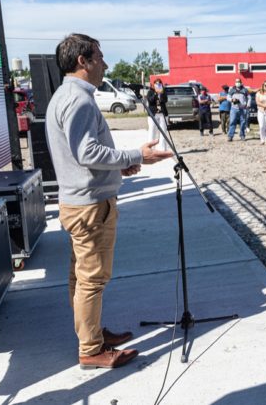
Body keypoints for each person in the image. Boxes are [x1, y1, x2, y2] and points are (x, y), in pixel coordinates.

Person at [46, 34, 172, 369]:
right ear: (82, 61)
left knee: (82, 276)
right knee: (92, 279)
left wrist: (120, 165)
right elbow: (86, 152)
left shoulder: (67, 96)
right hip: (90, 206)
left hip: (83, 201)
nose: (106, 63)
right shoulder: (79, 100)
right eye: (100, 57)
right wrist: (136, 154)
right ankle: (91, 349)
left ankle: (93, 335)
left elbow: (83, 155)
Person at [146, 79, 169, 151]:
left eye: (159, 83)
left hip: (162, 114)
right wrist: (156, 93)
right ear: (153, 85)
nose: (158, 85)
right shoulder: (150, 92)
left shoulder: (163, 92)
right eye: (156, 83)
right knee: (152, 131)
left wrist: (161, 94)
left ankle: (163, 148)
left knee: (163, 131)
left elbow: (165, 100)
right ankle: (151, 148)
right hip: (153, 114)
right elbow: (150, 100)